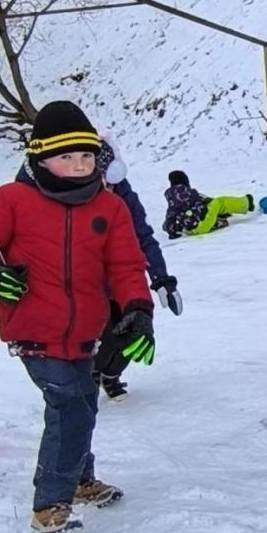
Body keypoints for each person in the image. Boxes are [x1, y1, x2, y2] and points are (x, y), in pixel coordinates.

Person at [0, 101, 156, 533]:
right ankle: (50, 502)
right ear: (40, 157)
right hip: (33, 327)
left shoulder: (109, 207)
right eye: (67, 156)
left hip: (86, 331)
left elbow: (125, 266)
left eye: (87, 155)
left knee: (83, 403)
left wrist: (139, 310)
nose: (79, 164)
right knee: (69, 405)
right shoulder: (12, 200)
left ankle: (80, 478)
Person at [93, 138, 182, 401]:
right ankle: (93, 372)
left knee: (135, 330)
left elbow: (144, 236)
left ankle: (112, 375)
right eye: (101, 180)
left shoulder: (124, 197)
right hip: (91, 285)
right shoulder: (75, 202)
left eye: (111, 179)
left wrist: (161, 278)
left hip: (126, 281)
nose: (107, 187)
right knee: (101, 334)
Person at [162, 171, 255, 239]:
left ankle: (219, 221)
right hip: (202, 222)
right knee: (219, 202)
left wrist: (172, 232)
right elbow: (205, 202)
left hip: (191, 230)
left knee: (204, 215)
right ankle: (246, 203)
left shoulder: (171, 201)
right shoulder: (189, 192)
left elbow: (170, 218)